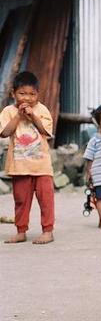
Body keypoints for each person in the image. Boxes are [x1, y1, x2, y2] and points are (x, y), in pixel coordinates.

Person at [0, 71, 55, 244]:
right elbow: (4, 132)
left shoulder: (42, 110)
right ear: (13, 94)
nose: (27, 98)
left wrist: (32, 116)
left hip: (42, 166)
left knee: (46, 200)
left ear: (38, 94)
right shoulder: (8, 111)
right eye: (22, 93)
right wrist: (18, 115)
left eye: (32, 94)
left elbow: (45, 131)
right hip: (20, 166)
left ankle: (48, 231)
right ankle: (21, 231)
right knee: (21, 200)